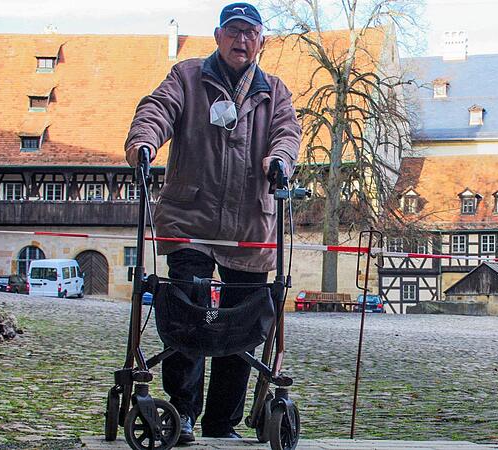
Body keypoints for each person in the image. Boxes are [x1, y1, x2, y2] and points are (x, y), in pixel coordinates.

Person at [125, 2, 300, 442]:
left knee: (241, 325)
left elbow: (287, 133)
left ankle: (222, 422)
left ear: (261, 41)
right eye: (233, 31)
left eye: (250, 33)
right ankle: (181, 413)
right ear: (218, 36)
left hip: (248, 228)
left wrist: (280, 161)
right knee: (189, 310)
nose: (241, 40)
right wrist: (144, 143)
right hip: (191, 220)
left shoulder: (275, 91)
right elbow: (157, 110)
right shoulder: (187, 77)